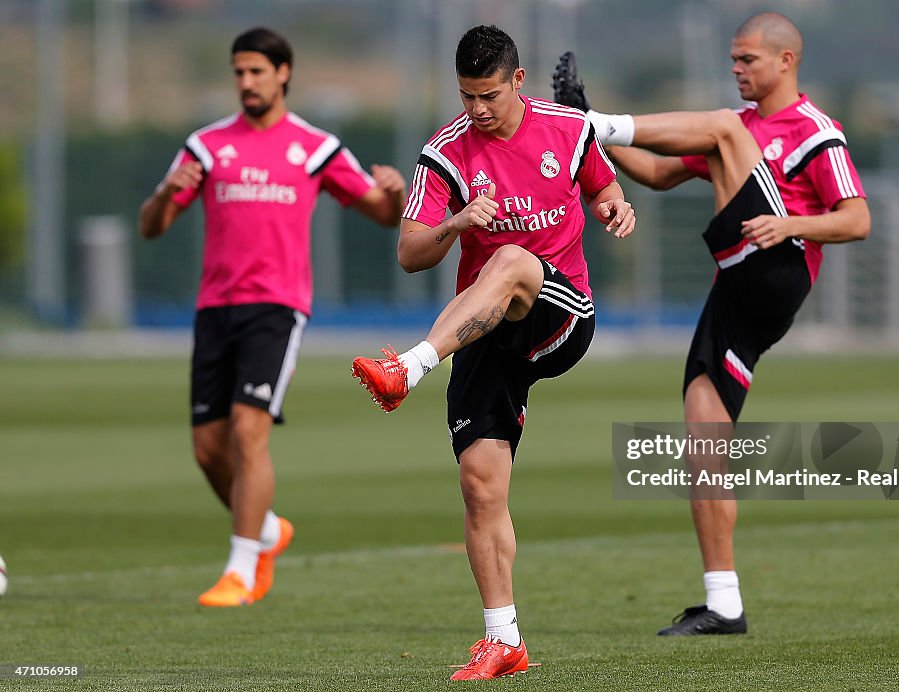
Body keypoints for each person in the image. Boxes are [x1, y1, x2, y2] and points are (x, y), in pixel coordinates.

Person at [552, 11, 870, 636]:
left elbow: (856, 218)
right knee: (703, 437)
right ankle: (724, 602)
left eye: (747, 59)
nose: (736, 68)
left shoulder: (811, 130)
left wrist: (792, 225)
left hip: (778, 264)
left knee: (722, 127)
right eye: (733, 58)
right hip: (738, 289)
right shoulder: (732, 136)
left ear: (786, 61)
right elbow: (655, 173)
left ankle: (589, 120)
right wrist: (596, 143)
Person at [350, 25, 634, 680]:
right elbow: (411, 253)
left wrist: (617, 206)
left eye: (487, 95)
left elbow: (604, 187)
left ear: (518, 81)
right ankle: (503, 639)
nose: (476, 109)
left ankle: (408, 367)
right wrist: (454, 223)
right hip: (483, 332)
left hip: (558, 316)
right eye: (466, 96)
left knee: (509, 260)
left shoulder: (567, 129)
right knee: (480, 487)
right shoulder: (446, 153)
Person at [138, 27, 406, 607]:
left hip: (277, 308)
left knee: (247, 430)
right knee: (208, 449)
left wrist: (393, 191)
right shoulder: (207, 146)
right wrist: (165, 192)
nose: (246, 82)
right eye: (238, 72)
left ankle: (241, 567)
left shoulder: (315, 147)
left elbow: (382, 214)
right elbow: (151, 226)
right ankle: (266, 530)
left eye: (257, 71)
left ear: (283, 73)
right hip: (215, 308)